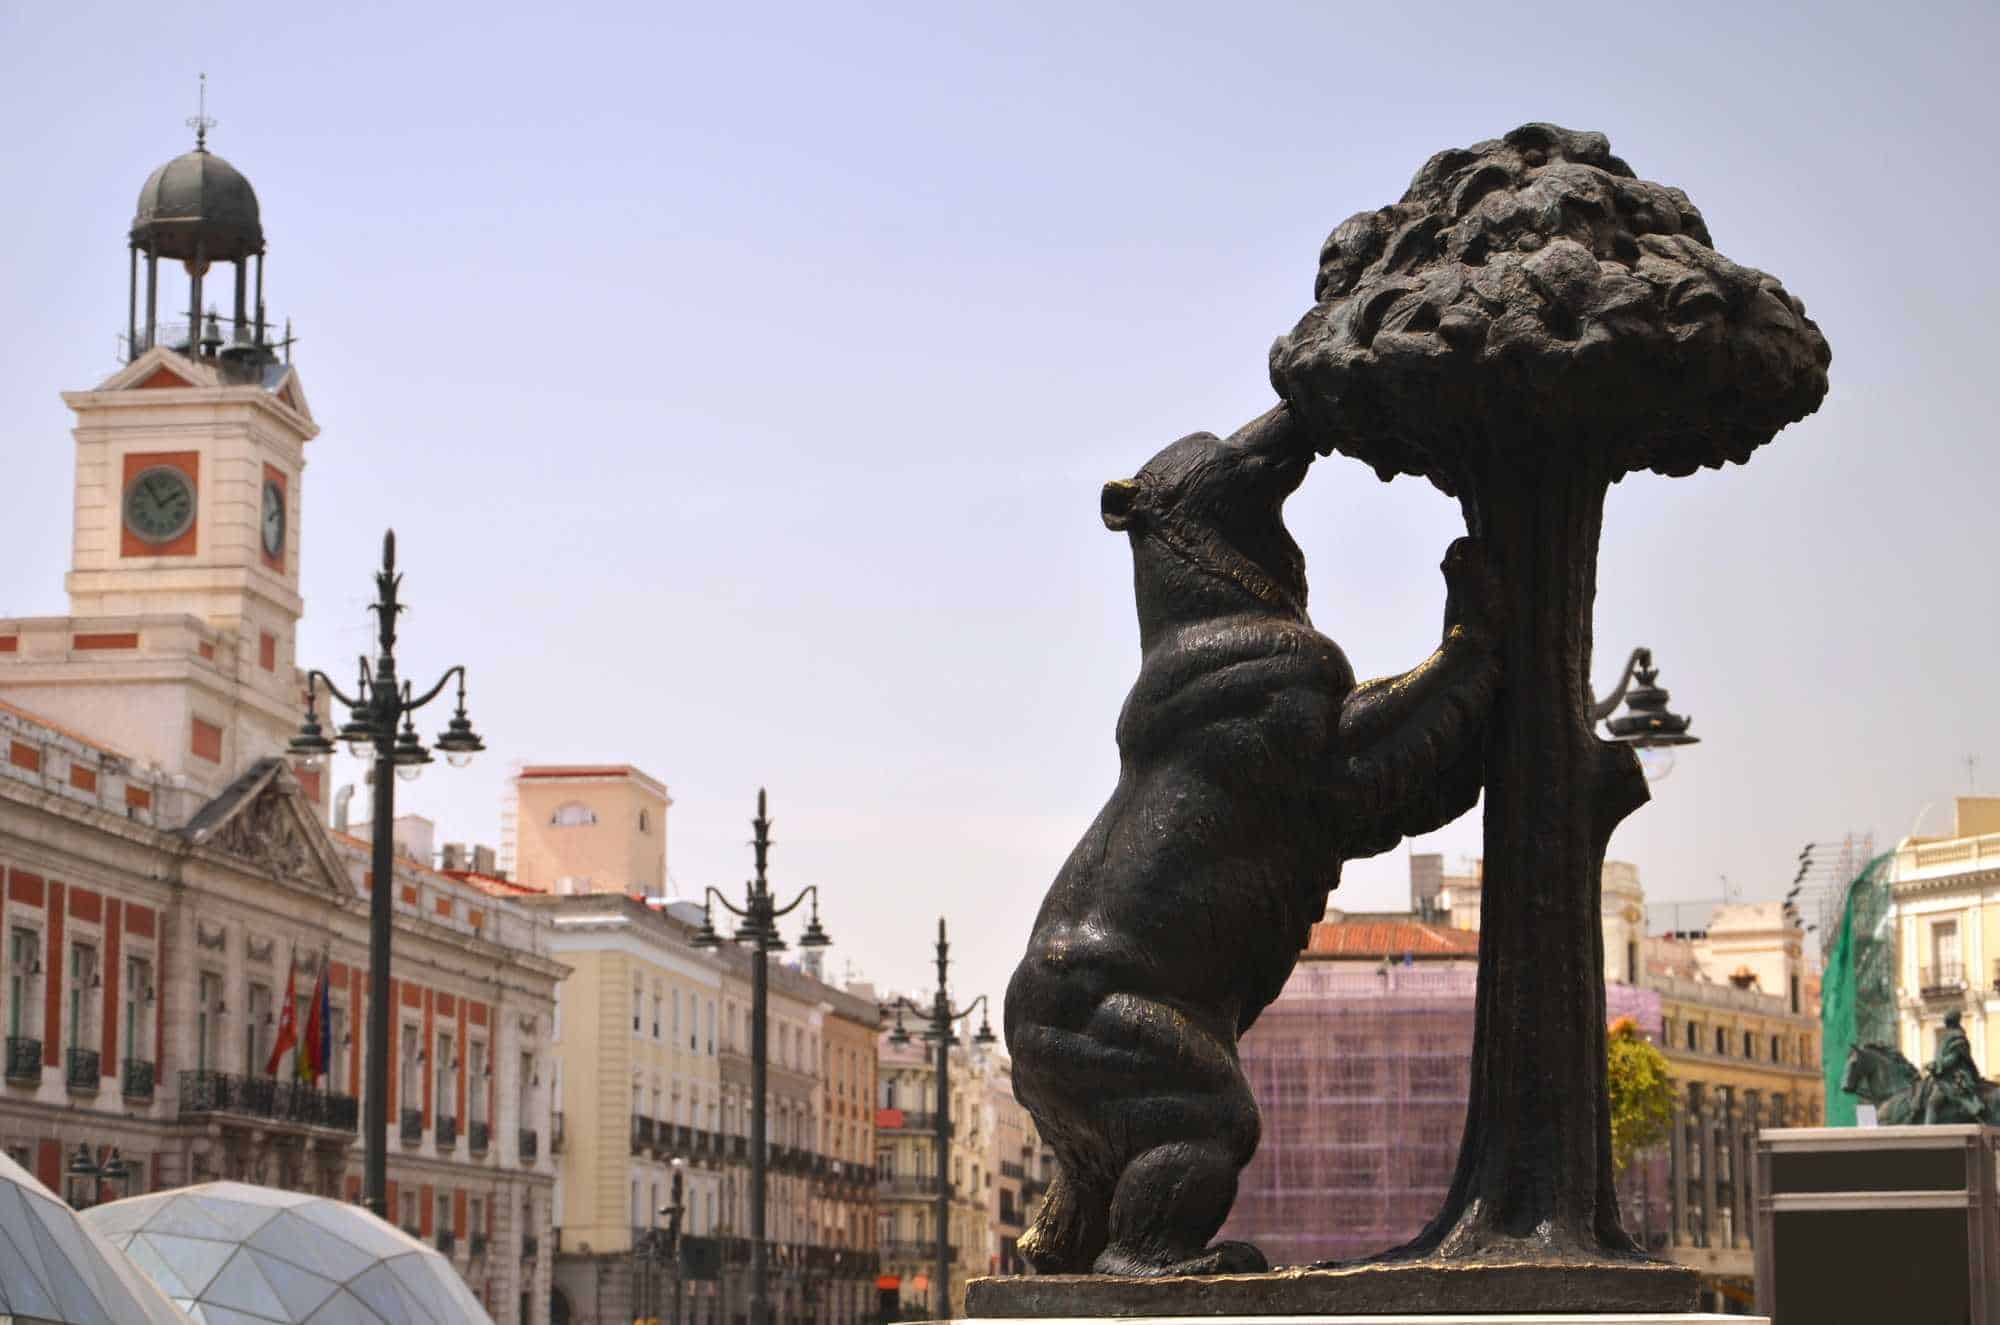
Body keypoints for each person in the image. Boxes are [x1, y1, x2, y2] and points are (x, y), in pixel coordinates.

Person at [1924, 1010, 1987, 1124]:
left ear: (1951, 1021)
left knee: (1933, 1102)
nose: (1945, 1021)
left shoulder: (1957, 1036)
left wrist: (1937, 1065)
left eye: (1947, 1019)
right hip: (1944, 1074)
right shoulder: (1949, 1035)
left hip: (1955, 1076)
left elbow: (1954, 1058)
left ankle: (1927, 1135)